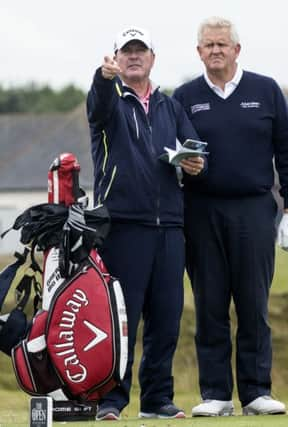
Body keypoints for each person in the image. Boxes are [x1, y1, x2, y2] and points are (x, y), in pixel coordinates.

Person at [173, 17, 288, 417]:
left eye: (222, 44)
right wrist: (181, 168)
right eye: (208, 45)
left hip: (254, 208)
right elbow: (171, 153)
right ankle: (216, 394)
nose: (215, 50)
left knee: (253, 303)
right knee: (210, 303)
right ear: (199, 52)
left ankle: (256, 392)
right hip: (201, 211)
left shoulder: (265, 90)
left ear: (236, 50)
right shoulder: (184, 96)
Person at [86, 26, 204, 421]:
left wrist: (196, 162)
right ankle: (111, 400)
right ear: (116, 59)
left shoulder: (171, 108)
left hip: (170, 226)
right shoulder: (108, 100)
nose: (134, 56)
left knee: (166, 317)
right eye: (126, 51)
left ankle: (157, 401)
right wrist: (102, 79)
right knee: (122, 319)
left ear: (152, 57)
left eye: (140, 51)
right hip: (123, 226)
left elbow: (195, 151)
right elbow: (96, 104)